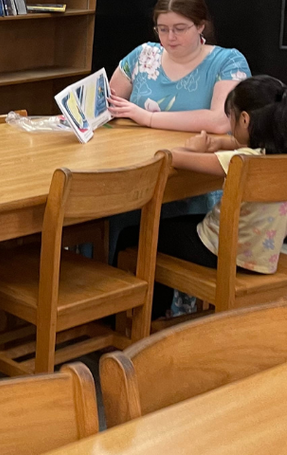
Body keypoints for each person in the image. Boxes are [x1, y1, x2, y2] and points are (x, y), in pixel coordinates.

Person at [117, 75, 287, 318]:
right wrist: (222, 143)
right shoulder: (274, 156)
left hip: (219, 251)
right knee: (173, 228)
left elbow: (170, 156)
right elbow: (240, 144)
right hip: (262, 255)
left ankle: (147, 317)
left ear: (245, 119)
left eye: (232, 119)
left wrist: (192, 148)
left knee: (136, 233)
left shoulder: (240, 161)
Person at [108, 0, 250, 133]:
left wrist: (148, 118)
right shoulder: (143, 55)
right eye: (163, 29)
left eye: (180, 29)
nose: (170, 37)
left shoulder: (229, 62)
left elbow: (221, 121)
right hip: (135, 148)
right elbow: (105, 108)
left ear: (200, 26)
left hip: (197, 152)